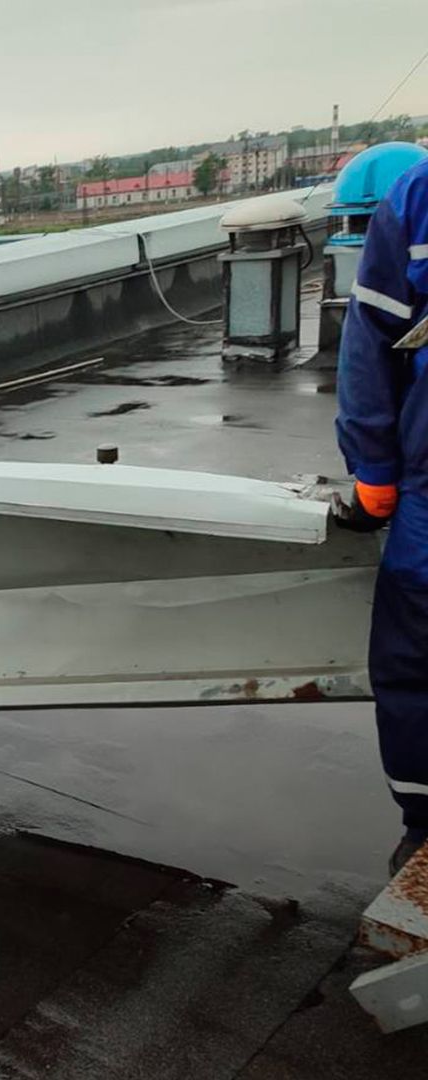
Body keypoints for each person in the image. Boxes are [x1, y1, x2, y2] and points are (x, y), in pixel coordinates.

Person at [334, 155, 428, 874]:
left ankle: (425, 828)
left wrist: (374, 474)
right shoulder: (418, 195)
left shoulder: (417, 196)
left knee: (414, 668)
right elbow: (376, 337)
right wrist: (377, 473)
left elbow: (370, 340)